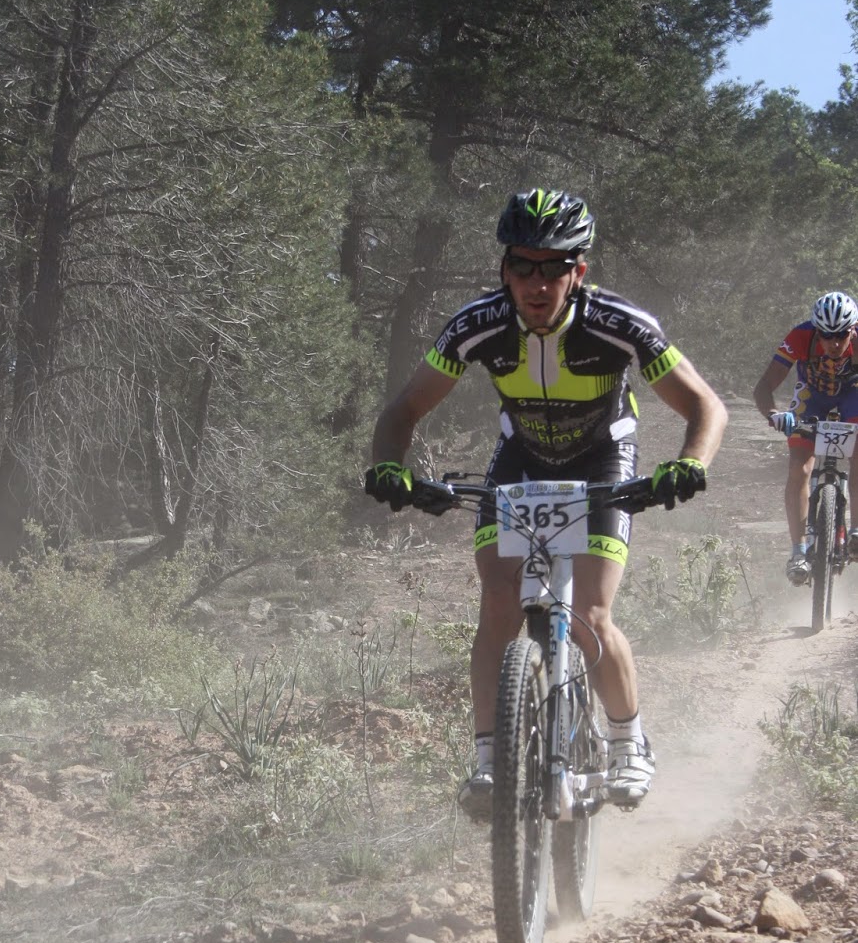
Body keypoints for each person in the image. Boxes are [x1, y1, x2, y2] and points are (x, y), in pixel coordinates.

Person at [364, 187, 728, 820]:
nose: (537, 283)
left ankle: (628, 740)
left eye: (554, 267)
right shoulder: (477, 325)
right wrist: (390, 466)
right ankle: (488, 757)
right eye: (523, 265)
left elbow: (706, 405)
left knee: (590, 612)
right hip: (522, 460)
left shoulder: (618, 323)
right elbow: (405, 408)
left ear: (578, 271)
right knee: (498, 602)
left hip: (602, 459)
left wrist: (690, 463)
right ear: (504, 269)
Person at [752, 290, 858, 584]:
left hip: (853, 395)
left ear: (852, 330)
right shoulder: (800, 337)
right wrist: (773, 413)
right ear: (816, 330)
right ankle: (798, 551)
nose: (834, 343)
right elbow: (764, 385)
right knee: (799, 467)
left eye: (841, 335)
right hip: (812, 397)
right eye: (826, 335)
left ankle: (856, 532)